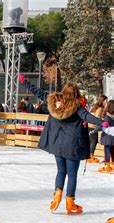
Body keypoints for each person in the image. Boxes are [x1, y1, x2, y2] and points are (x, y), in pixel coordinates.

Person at [20, 74, 104, 214]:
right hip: (73, 145)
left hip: (57, 144)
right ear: (76, 93)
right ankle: (70, 203)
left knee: (61, 171)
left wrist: (25, 82)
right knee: (72, 175)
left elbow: (38, 91)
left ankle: (57, 196)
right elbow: (88, 117)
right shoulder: (77, 106)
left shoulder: (54, 102)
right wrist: (104, 123)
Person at [93, 100, 114, 173]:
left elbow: (102, 126)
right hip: (113, 137)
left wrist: (93, 131)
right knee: (112, 151)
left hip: (107, 137)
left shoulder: (107, 117)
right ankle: (113, 164)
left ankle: (107, 165)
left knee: (107, 151)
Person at [86, 95, 107, 163]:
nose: (106, 102)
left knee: (91, 141)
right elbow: (97, 118)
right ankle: (91, 155)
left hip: (89, 125)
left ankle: (89, 154)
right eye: (105, 100)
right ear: (102, 101)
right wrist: (103, 121)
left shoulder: (95, 106)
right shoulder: (100, 108)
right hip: (93, 126)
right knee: (94, 141)